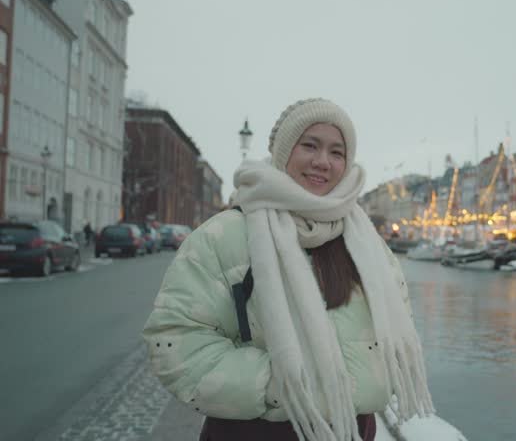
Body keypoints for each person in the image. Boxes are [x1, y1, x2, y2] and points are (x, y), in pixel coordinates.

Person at [143, 99, 433, 441]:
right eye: (309, 145)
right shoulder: (225, 236)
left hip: (352, 431)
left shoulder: (368, 244)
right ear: (283, 152)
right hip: (253, 431)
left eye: (337, 152)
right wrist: (281, 386)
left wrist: (371, 379)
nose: (322, 161)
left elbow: (397, 322)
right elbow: (176, 340)